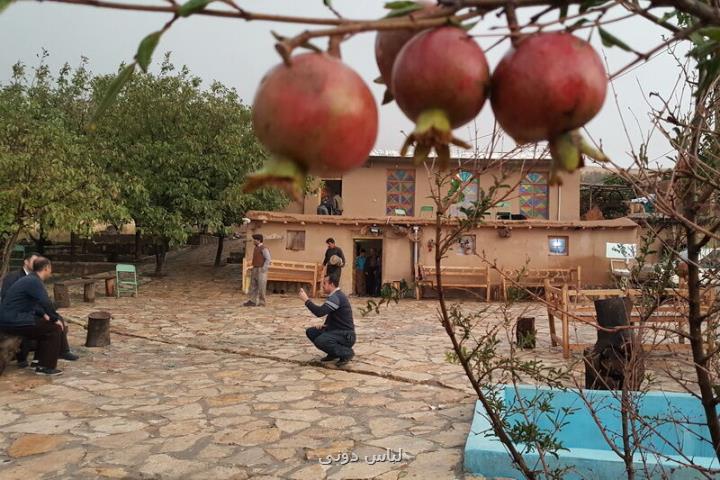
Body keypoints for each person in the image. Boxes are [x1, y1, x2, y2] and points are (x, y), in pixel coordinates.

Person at [1, 253, 78, 366]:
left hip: (15, 317)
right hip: (13, 319)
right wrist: (54, 318)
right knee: (54, 328)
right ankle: (46, 366)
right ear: (46, 268)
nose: (51, 272)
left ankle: (39, 361)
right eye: (50, 268)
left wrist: (45, 314)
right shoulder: (31, 280)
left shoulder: (31, 279)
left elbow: (35, 302)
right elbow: (45, 302)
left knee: (48, 324)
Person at [300, 274, 356, 366]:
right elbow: (332, 314)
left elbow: (319, 312)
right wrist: (325, 325)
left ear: (332, 284)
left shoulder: (337, 297)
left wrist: (306, 300)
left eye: (325, 283)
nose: (323, 285)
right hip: (336, 331)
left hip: (346, 335)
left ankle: (346, 353)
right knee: (311, 332)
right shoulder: (335, 296)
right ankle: (333, 353)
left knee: (320, 340)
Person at [244, 234, 270, 307]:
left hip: (261, 269)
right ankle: (252, 301)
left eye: (254, 239)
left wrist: (264, 269)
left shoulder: (264, 248)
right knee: (253, 286)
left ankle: (262, 302)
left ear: (258, 240)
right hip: (255, 268)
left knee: (261, 286)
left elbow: (268, 259)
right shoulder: (255, 248)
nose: (253, 241)